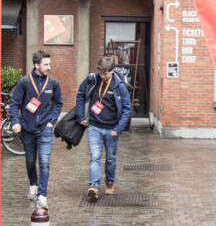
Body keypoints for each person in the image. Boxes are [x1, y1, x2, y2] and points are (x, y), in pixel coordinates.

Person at [9, 51, 63, 209]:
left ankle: (42, 195)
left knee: (45, 162)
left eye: (49, 64)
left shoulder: (53, 83)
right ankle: (33, 184)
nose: (49, 67)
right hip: (28, 129)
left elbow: (59, 103)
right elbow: (14, 103)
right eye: (46, 64)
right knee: (30, 161)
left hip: (45, 129)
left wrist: (52, 122)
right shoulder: (25, 82)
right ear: (36, 65)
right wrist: (14, 122)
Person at [76, 56, 132, 200]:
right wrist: (81, 115)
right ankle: (94, 186)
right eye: (100, 72)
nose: (102, 76)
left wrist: (119, 128)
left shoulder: (119, 86)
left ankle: (109, 182)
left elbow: (127, 108)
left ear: (112, 71)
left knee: (110, 159)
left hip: (112, 129)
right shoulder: (93, 79)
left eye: (105, 73)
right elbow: (80, 94)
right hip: (94, 127)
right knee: (94, 157)